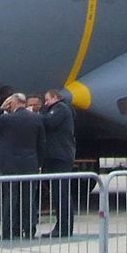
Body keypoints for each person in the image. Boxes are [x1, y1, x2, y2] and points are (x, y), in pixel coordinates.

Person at [0, 93, 43, 238]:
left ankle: (9, 230)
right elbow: (41, 142)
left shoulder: (6, 119)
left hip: (10, 165)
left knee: (10, 198)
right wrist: (39, 162)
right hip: (30, 163)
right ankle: (29, 229)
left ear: (13, 103)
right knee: (28, 199)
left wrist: (0, 109)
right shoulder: (36, 118)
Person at [39, 88, 78, 237]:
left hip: (60, 156)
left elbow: (49, 122)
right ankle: (61, 226)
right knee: (57, 193)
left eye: (47, 99)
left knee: (61, 193)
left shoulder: (60, 109)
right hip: (56, 155)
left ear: (55, 97)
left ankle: (64, 227)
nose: (45, 103)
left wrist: (35, 115)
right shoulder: (58, 109)